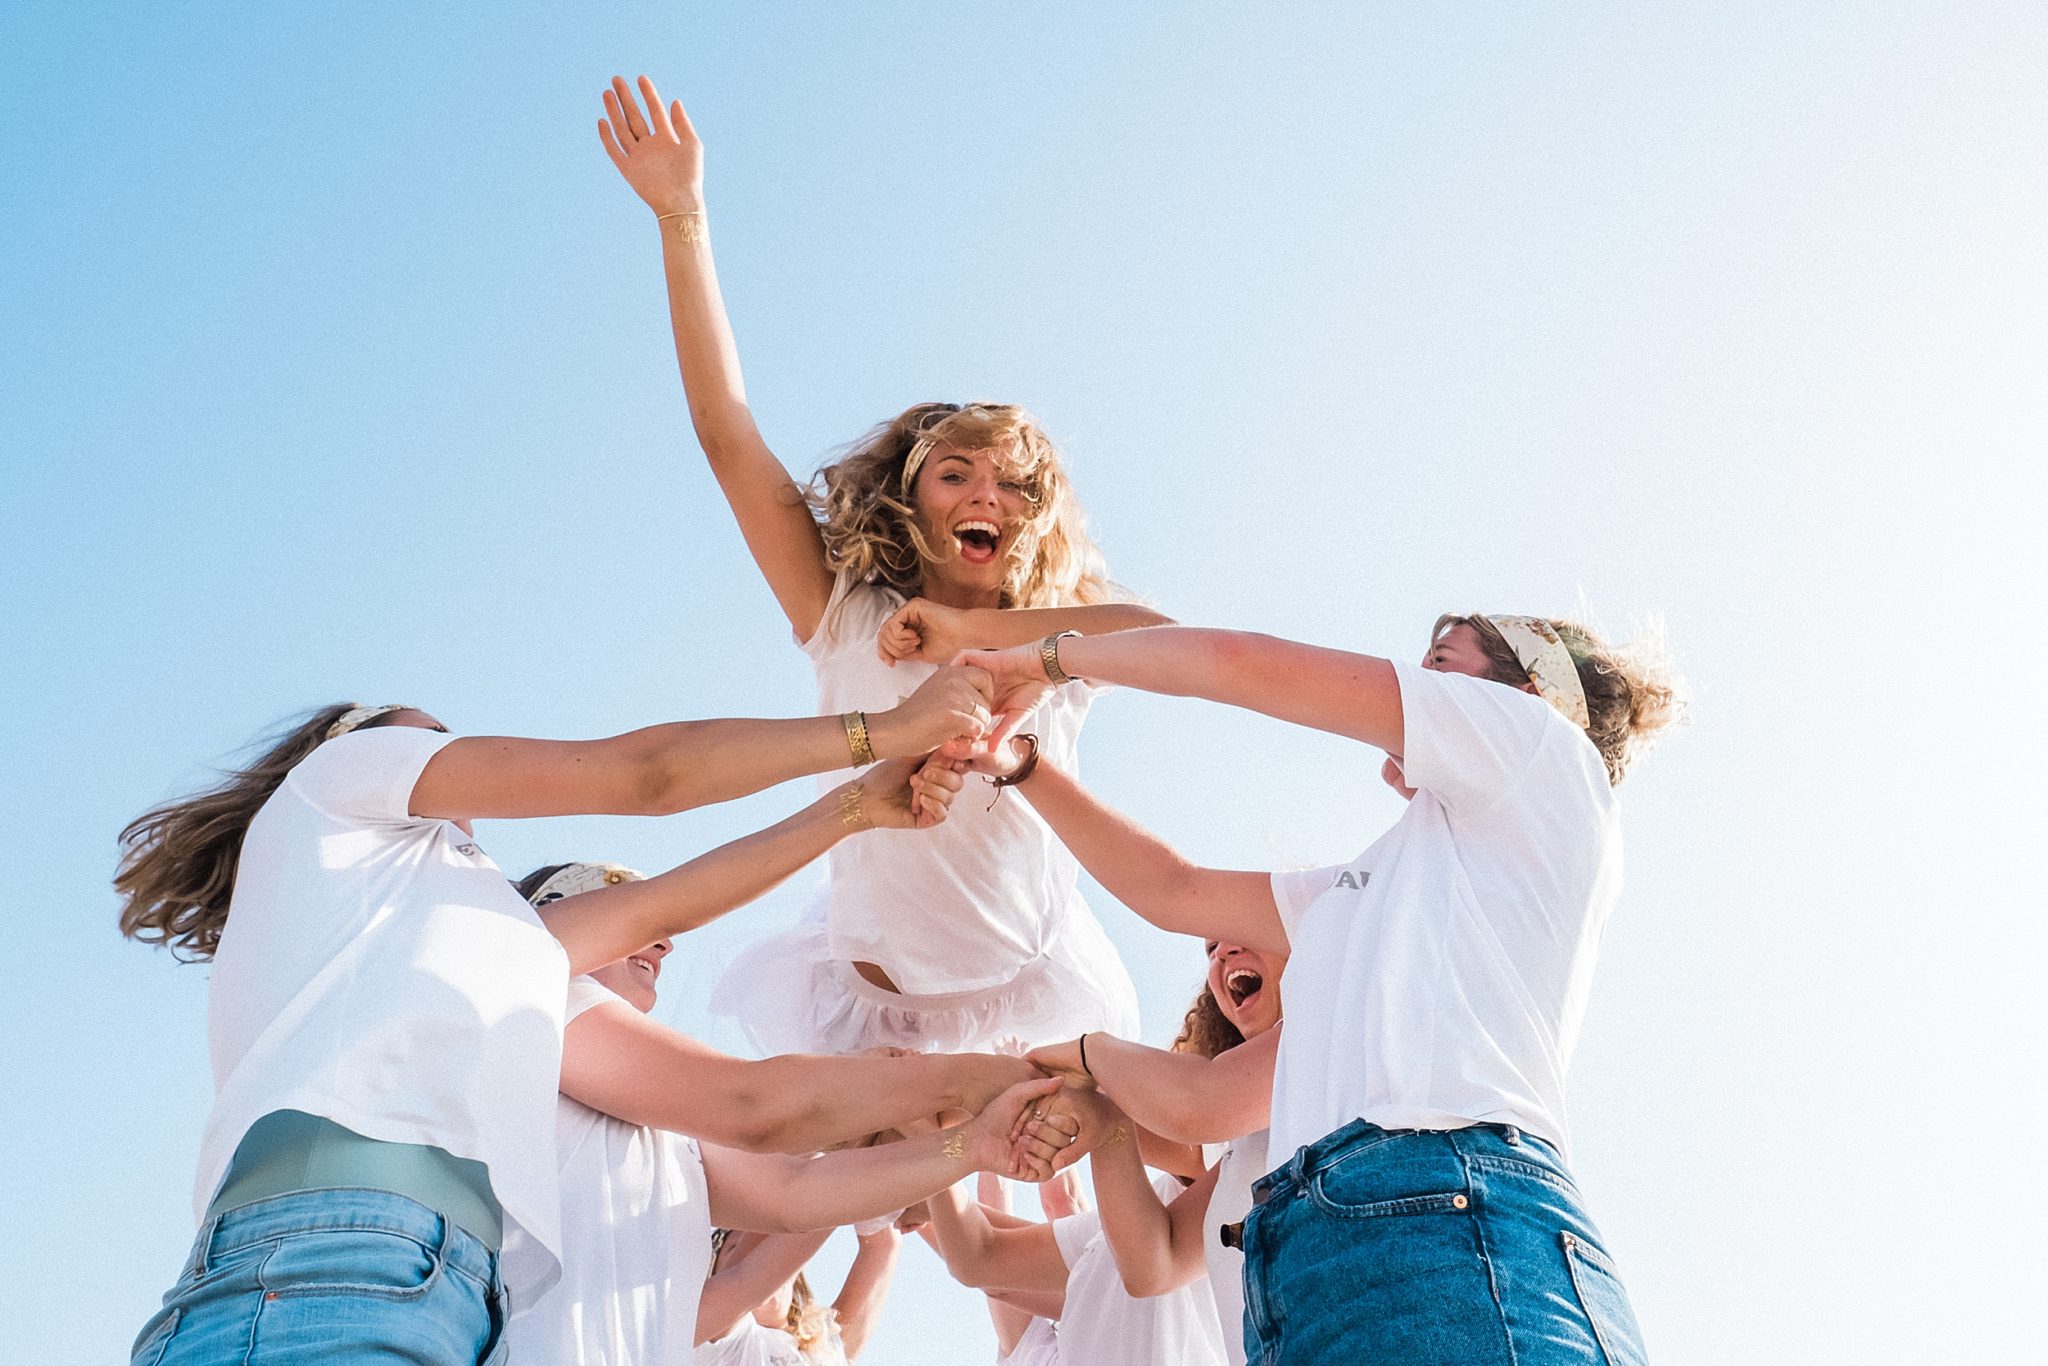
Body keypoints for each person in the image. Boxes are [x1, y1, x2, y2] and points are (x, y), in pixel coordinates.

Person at [116, 677, 991, 1366]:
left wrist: (855, 809)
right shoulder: (338, 784)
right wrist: (883, 728)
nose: (460, 761)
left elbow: (670, 909)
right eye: (433, 738)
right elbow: (648, 774)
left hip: (454, 1293)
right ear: (359, 743)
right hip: (328, 1250)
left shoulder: (482, 934)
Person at [598, 74, 1165, 1056]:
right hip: (865, 999)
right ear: (913, 500)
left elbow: (1165, 640)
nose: (985, 494)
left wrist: (968, 634)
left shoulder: (1055, 643)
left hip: (1024, 994)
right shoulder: (845, 611)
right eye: (956, 474)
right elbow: (727, 438)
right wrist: (681, 219)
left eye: (1012, 482)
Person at [976, 613, 1682, 1364]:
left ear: (1528, 688)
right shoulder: (1377, 880)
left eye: (1440, 659)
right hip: (1315, 1251)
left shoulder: (1538, 747)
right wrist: (1014, 759)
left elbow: (1237, 658)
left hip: (1446, 1210)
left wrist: (1047, 662)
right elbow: (1172, 890)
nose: (1413, 677)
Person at [505, 862, 1047, 1365]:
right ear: (556, 910)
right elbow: (753, 1104)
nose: (665, 943)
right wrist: (951, 1079)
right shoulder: (538, 1003)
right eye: (629, 907)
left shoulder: (670, 1133)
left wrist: (971, 1147)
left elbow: (796, 1192)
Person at [1027, 942, 1286, 1366]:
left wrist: (1088, 1055)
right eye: (1211, 949)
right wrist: (1101, 1122)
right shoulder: (1248, 1147)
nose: (1222, 954)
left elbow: (1191, 1104)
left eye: (1246, 930)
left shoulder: (1327, 1035)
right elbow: (1155, 1263)